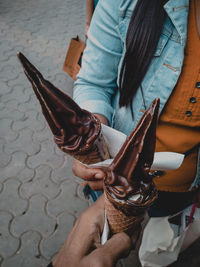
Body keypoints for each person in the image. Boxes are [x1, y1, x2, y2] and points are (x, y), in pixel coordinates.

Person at [54, 0, 200, 265]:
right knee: (110, 235)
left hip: (185, 191)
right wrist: (94, 142)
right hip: (115, 179)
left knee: (163, 235)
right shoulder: (123, 5)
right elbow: (94, 84)